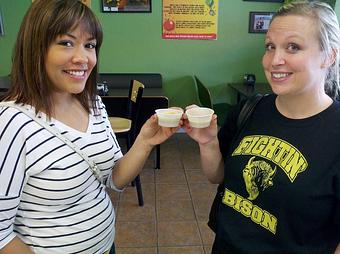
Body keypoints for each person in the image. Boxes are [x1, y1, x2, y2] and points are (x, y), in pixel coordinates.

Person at [0, 0, 178, 253]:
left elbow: (114, 179)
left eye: (90, 45)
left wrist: (145, 141)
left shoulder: (93, 104)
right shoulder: (10, 123)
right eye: (66, 43)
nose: (83, 58)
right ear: (35, 48)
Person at [185, 1, 340, 253]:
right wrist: (207, 142)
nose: (275, 60)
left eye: (293, 47)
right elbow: (218, 176)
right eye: (270, 46)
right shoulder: (252, 109)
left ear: (329, 55)